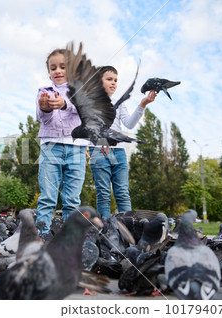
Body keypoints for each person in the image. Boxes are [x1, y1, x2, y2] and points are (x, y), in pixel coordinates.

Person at [89, 65, 157, 218]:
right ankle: (107, 230)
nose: (113, 83)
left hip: (119, 152)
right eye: (109, 79)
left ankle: (128, 228)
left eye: (115, 80)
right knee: (104, 194)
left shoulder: (119, 102)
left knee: (122, 193)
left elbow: (129, 124)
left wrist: (143, 104)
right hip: (99, 151)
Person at [35, 48, 89, 234]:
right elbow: (42, 118)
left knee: (72, 198)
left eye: (63, 67)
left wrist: (65, 104)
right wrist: (46, 109)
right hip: (51, 146)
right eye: (53, 68)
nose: (57, 71)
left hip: (77, 148)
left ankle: (70, 236)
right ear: (49, 72)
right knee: (48, 196)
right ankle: (41, 235)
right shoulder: (44, 91)